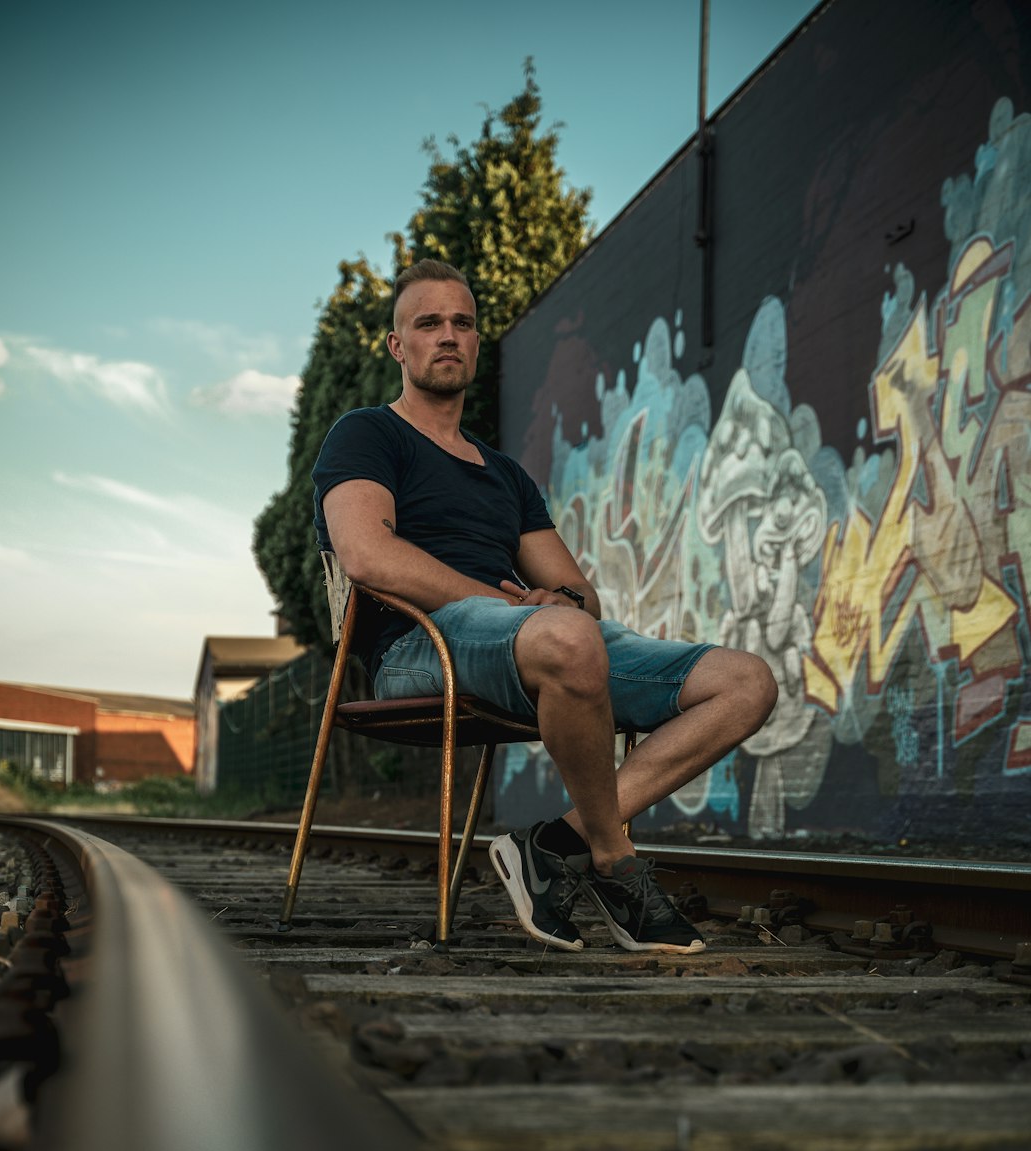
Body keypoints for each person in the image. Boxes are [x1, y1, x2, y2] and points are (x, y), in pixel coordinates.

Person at [313, 260, 777, 954]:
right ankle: (616, 862)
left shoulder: (506, 475)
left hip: (527, 640)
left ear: (476, 343)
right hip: (419, 648)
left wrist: (546, 602)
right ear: (397, 346)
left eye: (462, 323)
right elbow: (368, 555)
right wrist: (513, 605)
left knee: (746, 683)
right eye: (428, 323)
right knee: (565, 637)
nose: (449, 336)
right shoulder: (368, 434)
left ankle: (555, 843)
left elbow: (581, 596)